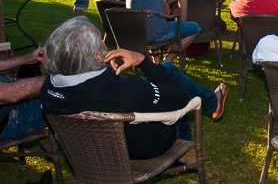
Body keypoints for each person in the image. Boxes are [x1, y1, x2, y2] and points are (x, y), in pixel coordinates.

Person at [40, 17, 227, 160]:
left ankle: (212, 102)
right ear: (98, 56)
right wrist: (143, 61)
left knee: (167, 68)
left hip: (94, 154)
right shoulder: (128, 90)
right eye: (101, 42)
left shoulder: (49, 89)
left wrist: (104, 71)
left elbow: (101, 90)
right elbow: (178, 97)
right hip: (141, 148)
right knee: (170, 76)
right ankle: (184, 150)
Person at [0, 48, 47, 142]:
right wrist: (56, 80)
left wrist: (26, 58)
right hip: (10, 119)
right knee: (72, 93)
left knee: (32, 67)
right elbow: (9, 95)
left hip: (11, 98)